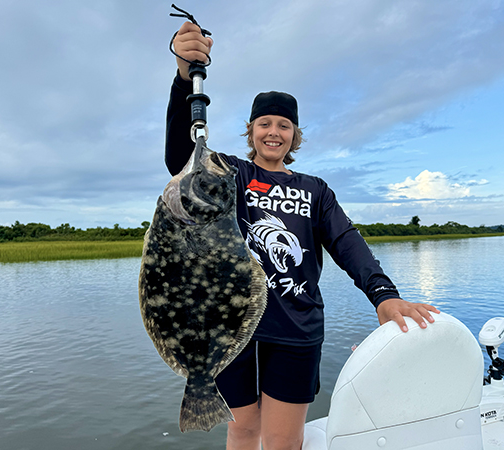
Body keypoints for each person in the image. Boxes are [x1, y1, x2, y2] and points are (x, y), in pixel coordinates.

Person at [166, 22, 440, 450]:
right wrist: (185, 77)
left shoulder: (315, 188)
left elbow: (347, 242)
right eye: (264, 124)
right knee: (241, 427)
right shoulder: (231, 174)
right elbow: (181, 158)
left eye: (284, 125)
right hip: (230, 324)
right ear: (251, 130)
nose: (273, 132)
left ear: (295, 135)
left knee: (282, 438)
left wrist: (383, 294)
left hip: (296, 325)